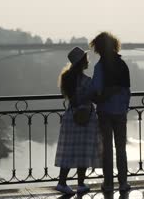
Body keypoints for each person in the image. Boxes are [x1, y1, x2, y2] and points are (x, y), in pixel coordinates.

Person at [54, 47, 101, 195]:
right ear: (82, 62)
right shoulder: (87, 81)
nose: (87, 60)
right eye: (85, 58)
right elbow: (95, 98)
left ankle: (62, 182)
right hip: (86, 118)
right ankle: (80, 184)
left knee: (69, 150)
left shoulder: (67, 78)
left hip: (71, 117)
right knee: (84, 151)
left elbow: (72, 99)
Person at [90, 32, 131, 192]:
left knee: (106, 149)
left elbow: (97, 90)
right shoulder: (123, 65)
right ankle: (123, 183)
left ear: (99, 48)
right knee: (121, 148)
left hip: (105, 112)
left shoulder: (100, 67)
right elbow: (127, 90)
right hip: (120, 112)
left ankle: (108, 184)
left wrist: (97, 98)